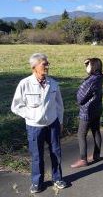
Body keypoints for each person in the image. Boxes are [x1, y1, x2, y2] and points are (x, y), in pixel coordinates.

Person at [11, 53, 67, 194]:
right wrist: (32, 115)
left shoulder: (53, 83)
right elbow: (16, 106)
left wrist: (60, 121)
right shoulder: (25, 84)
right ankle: (37, 183)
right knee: (37, 155)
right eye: (44, 64)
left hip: (52, 124)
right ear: (34, 66)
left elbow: (59, 105)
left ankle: (58, 178)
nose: (47, 66)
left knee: (56, 152)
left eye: (47, 63)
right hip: (34, 127)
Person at [71, 58, 103, 168]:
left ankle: (83, 159)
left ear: (93, 66)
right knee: (96, 131)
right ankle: (96, 155)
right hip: (97, 108)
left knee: (81, 134)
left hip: (87, 111)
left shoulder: (91, 80)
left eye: (88, 65)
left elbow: (80, 98)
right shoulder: (100, 76)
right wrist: (88, 62)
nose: (86, 67)